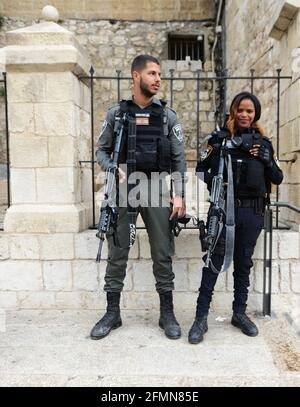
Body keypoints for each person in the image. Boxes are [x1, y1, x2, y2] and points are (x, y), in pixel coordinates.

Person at [90, 55, 186, 341]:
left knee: (162, 250)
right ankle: (112, 313)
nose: (158, 79)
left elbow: (179, 160)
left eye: (160, 75)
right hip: (123, 185)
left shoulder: (168, 116)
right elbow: (101, 152)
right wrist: (112, 169)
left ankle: (166, 313)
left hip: (156, 186)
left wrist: (179, 194)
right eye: (152, 73)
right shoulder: (116, 114)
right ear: (136, 76)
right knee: (117, 250)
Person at [188, 92, 283, 344]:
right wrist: (217, 181)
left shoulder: (263, 143)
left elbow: (278, 177)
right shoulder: (219, 140)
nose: (244, 114)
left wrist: (266, 159)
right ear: (233, 111)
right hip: (222, 211)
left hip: (252, 213)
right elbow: (200, 171)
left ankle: (239, 313)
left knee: (243, 264)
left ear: (255, 114)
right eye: (240, 109)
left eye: (249, 111)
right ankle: (200, 318)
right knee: (213, 263)